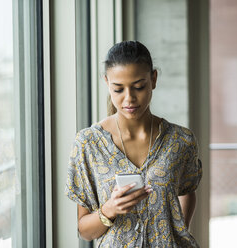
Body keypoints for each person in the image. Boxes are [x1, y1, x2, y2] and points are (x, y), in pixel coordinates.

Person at [65, 41, 202, 247]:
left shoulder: (180, 140)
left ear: (153, 79)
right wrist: (110, 209)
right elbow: (84, 230)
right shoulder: (88, 144)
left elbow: (187, 190)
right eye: (118, 89)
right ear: (106, 83)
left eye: (139, 86)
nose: (129, 98)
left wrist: (177, 230)